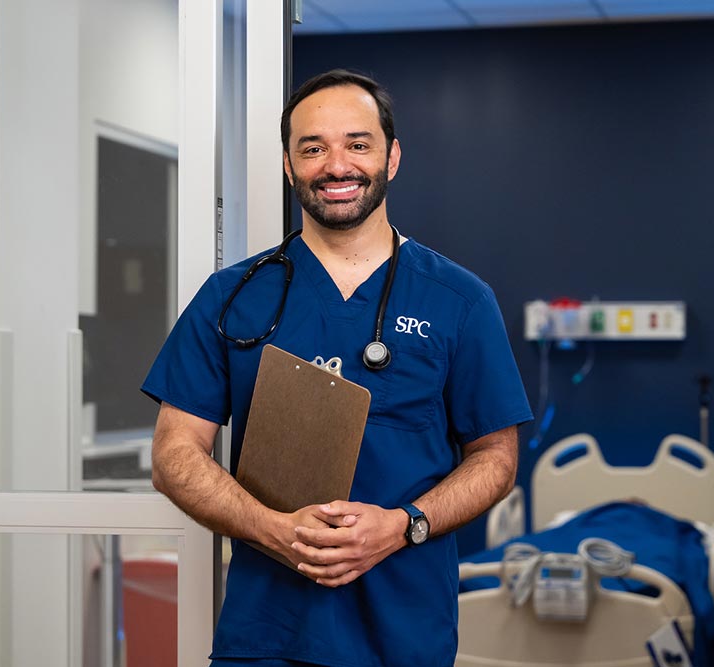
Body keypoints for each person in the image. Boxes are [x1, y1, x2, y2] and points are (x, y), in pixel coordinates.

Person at [142, 69, 533, 667]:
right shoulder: (231, 297)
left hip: (403, 635)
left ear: (391, 157)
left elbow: (496, 459)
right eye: (313, 147)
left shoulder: (458, 300)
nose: (336, 165)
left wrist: (404, 526)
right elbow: (174, 457)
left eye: (357, 143)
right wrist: (272, 528)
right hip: (266, 636)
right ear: (288, 164)